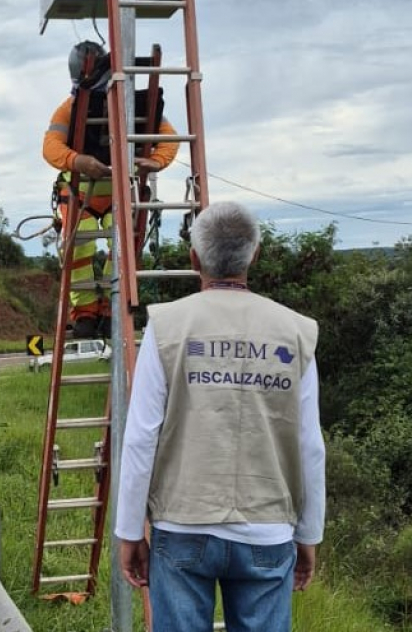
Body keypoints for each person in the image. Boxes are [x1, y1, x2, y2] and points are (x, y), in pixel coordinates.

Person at [115, 201, 325, 632]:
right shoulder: (296, 331)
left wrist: (130, 529)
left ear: (194, 259)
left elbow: (141, 437)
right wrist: (308, 535)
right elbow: (309, 445)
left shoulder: (167, 325)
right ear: (255, 255)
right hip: (268, 530)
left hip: (182, 524)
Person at [43, 40, 179, 338]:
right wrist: (77, 161)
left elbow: (169, 137)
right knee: (78, 247)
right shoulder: (70, 109)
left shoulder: (133, 106)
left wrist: (155, 161)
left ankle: (110, 308)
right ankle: (85, 314)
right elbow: (50, 147)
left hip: (121, 194)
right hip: (81, 197)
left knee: (121, 250)